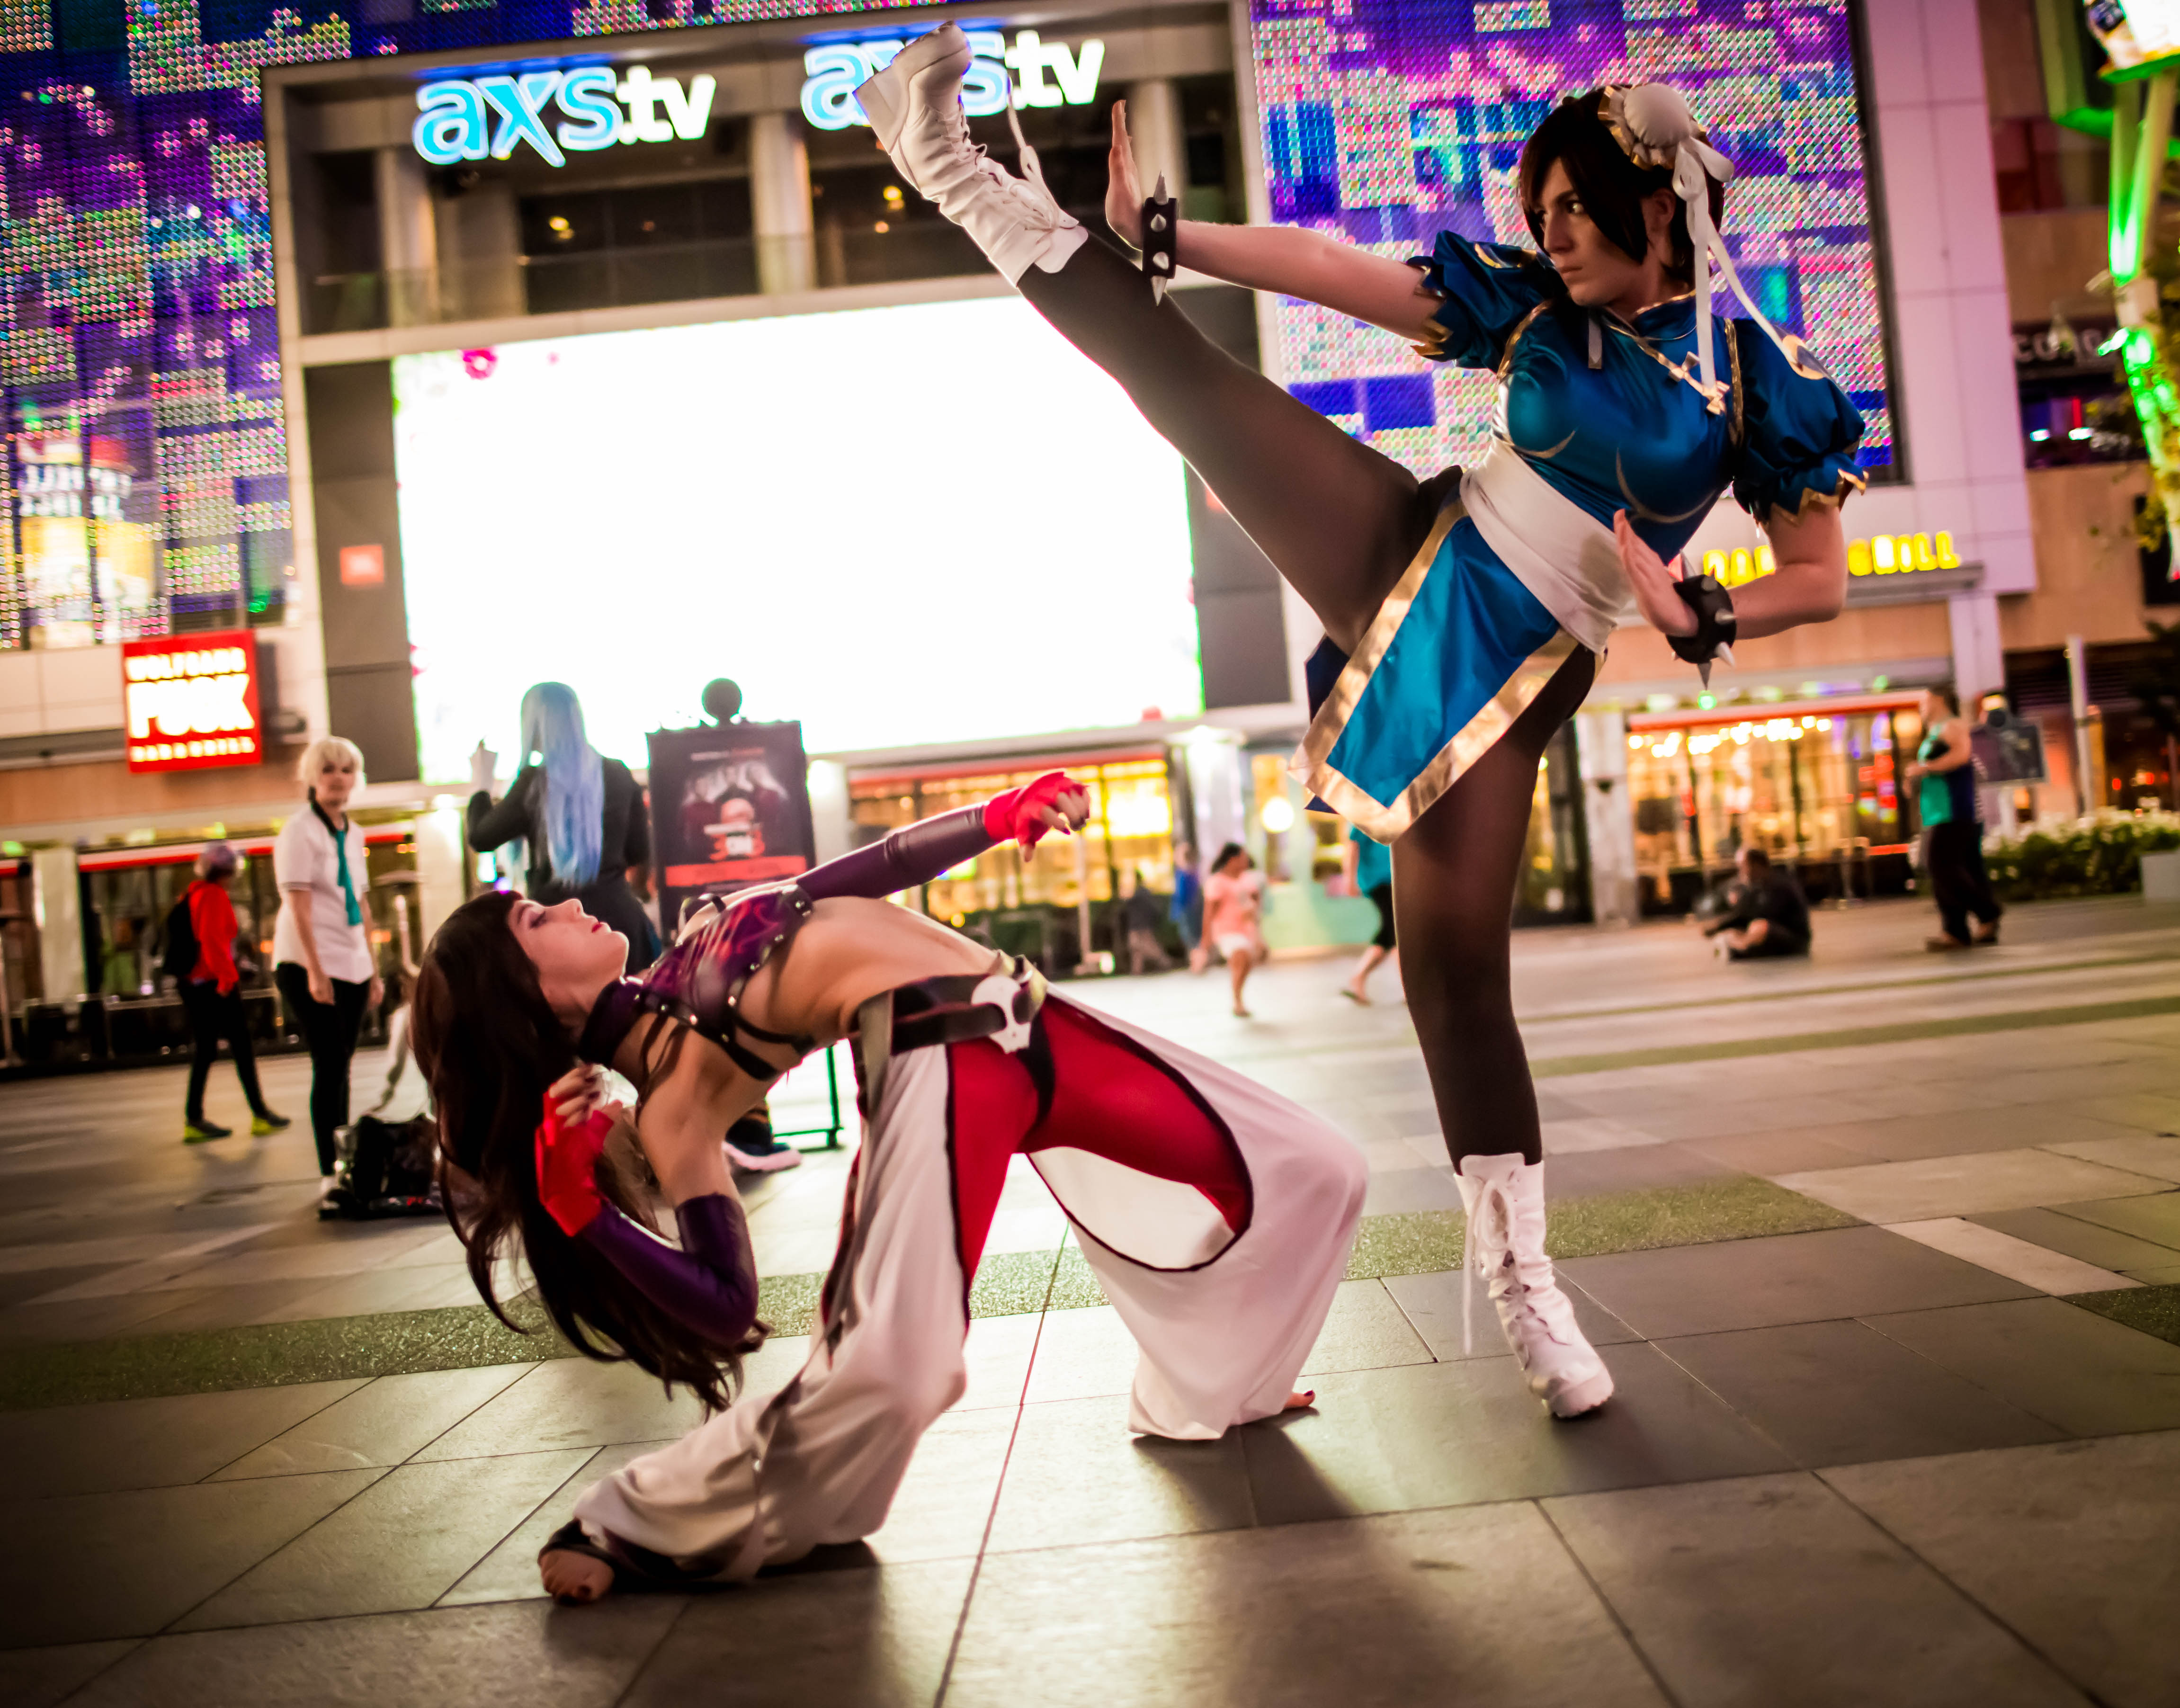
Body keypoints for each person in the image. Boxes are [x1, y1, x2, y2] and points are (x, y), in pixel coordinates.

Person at [862, 36, 1865, 1416]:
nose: (1554, 232)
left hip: (1524, 659)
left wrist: (1711, 616)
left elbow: (1820, 573)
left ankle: (1526, 1287)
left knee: (1452, 976)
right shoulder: (1531, 305)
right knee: (1182, 383)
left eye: (1579, 208)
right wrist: (1174, 232)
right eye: (1544, 210)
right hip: (1418, 543)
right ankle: (951, 166)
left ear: (1659, 211)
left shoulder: (1758, 380)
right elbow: (1341, 270)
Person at [411, 774, 1365, 1601]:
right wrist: (583, 1216)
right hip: (936, 1057)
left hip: (1036, 1024)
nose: (569, 904)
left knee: (1316, 1170)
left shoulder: (694, 937)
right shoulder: (672, 1100)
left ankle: (1226, 1385)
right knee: (901, 1363)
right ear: (525, 993)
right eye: (536, 922)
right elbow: (724, 1303)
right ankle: (624, 1522)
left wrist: (998, 816)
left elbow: (849, 878)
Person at [468, 682, 661, 974]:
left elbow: (481, 837)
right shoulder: (617, 773)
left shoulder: (534, 784)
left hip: (558, 932)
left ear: (533, 725)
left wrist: (482, 782)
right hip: (621, 927)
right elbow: (639, 851)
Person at [275, 736, 382, 1198]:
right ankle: (328, 1169)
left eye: (345, 770)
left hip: (352, 961)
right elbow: (297, 905)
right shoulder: (300, 831)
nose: (338, 778)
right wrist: (316, 971)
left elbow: (360, 899)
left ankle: (343, 1159)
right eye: (328, 770)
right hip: (307, 961)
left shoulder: (353, 833)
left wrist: (374, 969)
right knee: (330, 1061)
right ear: (312, 778)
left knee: (344, 1066)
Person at [178, 842, 290, 1143]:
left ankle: (197, 1118)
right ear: (226, 871)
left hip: (199, 984)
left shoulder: (193, 894)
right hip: (216, 985)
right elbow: (213, 942)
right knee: (238, 1049)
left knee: (209, 1051)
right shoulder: (213, 896)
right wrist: (228, 981)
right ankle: (258, 1116)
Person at [1906, 685, 2002, 950]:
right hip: (1940, 811)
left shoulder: (1952, 725)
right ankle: (1958, 930)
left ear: (1938, 699)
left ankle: (1985, 914)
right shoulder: (1935, 731)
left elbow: (1961, 755)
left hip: (1955, 810)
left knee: (1941, 866)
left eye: (1924, 701)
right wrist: (1915, 778)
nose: (1920, 707)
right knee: (1956, 869)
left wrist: (1925, 768)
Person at [1699, 845, 1810, 961]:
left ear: (1757, 865)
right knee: (1737, 932)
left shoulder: (1780, 886)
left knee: (1759, 926)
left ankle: (1740, 949)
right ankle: (1740, 947)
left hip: (1794, 939)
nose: (1741, 873)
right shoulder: (1756, 886)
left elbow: (1763, 915)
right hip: (1770, 934)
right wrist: (1719, 927)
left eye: (1743, 866)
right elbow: (1745, 915)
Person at [1202, 842, 1266, 1018]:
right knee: (1241, 956)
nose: (1246, 862)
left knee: (1246, 964)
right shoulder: (1217, 882)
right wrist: (1205, 939)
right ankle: (1237, 1000)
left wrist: (1254, 911)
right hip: (1227, 931)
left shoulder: (1247, 879)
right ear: (1233, 860)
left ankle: (1239, 996)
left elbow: (1255, 900)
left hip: (1246, 929)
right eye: (1243, 858)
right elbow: (1209, 912)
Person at [1341, 820, 1397, 1004]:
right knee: (1391, 930)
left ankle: (1407, 987)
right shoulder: (1362, 816)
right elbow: (1353, 848)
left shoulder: (1392, 814)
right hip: (1377, 880)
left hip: (1394, 878)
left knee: (1396, 934)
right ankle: (1358, 977)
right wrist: (1350, 880)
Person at [1119, 864, 1174, 975]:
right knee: (1137, 948)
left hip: (1140, 925)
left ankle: (1164, 961)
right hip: (1139, 924)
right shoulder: (1142, 892)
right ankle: (1137, 970)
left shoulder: (1140, 893)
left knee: (1144, 945)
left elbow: (1128, 902)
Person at [1169, 842, 1206, 973]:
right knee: (1191, 938)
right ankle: (1197, 963)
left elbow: (1182, 895)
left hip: (1188, 910)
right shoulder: (1191, 871)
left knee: (1192, 938)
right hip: (1190, 910)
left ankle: (1198, 964)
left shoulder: (1185, 873)